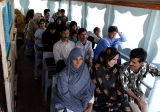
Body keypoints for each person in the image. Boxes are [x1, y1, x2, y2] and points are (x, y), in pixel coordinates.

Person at [90, 47, 132, 112]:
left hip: (114, 95)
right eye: (113, 59)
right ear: (107, 58)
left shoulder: (115, 68)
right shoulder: (97, 68)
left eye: (117, 59)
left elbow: (118, 84)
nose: (115, 62)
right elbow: (102, 87)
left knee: (125, 105)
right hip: (101, 99)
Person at [120, 48, 160, 112]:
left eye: (134, 62)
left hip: (139, 93)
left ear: (141, 63)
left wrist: (140, 100)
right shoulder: (124, 69)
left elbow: (158, 72)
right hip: (126, 96)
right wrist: (137, 100)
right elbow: (126, 89)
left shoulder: (145, 66)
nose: (130, 63)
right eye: (130, 60)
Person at [55, 47, 95, 112]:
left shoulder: (84, 69)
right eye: (75, 59)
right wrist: (79, 107)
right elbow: (64, 95)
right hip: (68, 104)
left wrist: (90, 105)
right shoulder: (63, 75)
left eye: (80, 59)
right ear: (71, 59)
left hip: (83, 101)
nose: (78, 62)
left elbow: (88, 87)